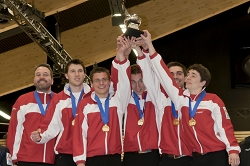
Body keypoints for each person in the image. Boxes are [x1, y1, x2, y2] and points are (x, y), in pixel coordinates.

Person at [139, 30, 241, 166]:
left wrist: (233, 149)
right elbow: (163, 75)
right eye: (188, 74)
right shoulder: (181, 98)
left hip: (216, 154)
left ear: (202, 82)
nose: (188, 77)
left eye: (193, 75)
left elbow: (225, 126)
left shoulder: (213, 100)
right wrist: (149, 47)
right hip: (196, 157)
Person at [72, 37, 131, 166]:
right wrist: (80, 161)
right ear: (92, 83)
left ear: (109, 82)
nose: (101, 83)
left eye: (104, 79)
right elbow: (79, 134)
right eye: (97, 80)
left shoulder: (117, 101)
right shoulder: (85, 104)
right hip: (93, 159)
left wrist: (121, 56)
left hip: (114, 158)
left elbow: (125, 83)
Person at [134, 40, 192, 166]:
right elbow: (149, 78)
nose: (175, 77)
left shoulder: (192, 98)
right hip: (167, 159)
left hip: (191, 158)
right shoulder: (160, 98)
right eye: (170, 74)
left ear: (186, 76)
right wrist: (141, 52)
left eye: (179, 73)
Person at [31, 59, 91, 166]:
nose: (77, 74)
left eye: (80, 71)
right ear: (66, 75)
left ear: (84, 74)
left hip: (90, 153)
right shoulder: (58, 99)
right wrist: (40, 136)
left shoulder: (94, 96)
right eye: (72, 71)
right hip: (65, 154)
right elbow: (51, 126)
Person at [112, 36, 160, 166]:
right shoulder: (125, 98)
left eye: (141, 81)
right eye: (133, 82)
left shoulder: (154, 97)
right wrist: (120, 54)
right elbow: (117, 79)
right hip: (131, 155)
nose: (138, 86)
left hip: (153, 155)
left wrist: (139, 51)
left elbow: (154, 73)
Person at [7, 63, 56, 166]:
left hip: (55, 159)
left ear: (52, 80)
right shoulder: (22, 100)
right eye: (38, 74)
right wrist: (12, 157)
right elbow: (14, 130)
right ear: (34, 79)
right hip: (27, 159)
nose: (41, 77)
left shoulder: (60, 101)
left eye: (45, 74)